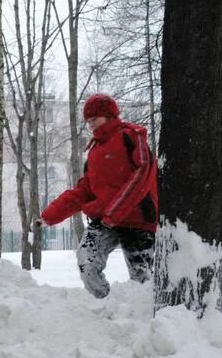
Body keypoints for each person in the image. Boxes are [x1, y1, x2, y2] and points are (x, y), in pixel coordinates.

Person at [36, 93, 158, 299]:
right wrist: (50, 215)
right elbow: (84, 190)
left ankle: (144, 317)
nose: (91, 125)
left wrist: (115, 213)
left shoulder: (131, 136)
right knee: (86, 261)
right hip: (105, 219)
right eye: (88, 121)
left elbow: (143, 175)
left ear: (110, 116)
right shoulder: (94, 150)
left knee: (142, 279)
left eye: (95, 119)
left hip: (137, 219)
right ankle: (107, 305)